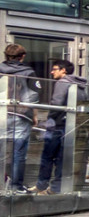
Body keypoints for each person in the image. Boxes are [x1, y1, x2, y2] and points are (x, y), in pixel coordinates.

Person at [36, 59, 83, 195]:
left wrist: (49, 119)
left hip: (57, 125)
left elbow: (56, 103)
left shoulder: (63, 82)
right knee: (62, 159)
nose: (51, 71)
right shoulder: (79, 85)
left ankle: (41, 186)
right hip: (70, 125)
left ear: (63, 70)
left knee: (47, 157)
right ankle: (56, 188)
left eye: (55, 69)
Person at [1, 45, 36, 193]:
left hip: (1, 114)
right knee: (19, 153)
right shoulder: (29, 72)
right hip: (21, 115)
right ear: (22, 56)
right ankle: (16, 187)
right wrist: (34, 115)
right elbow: (33, 96)